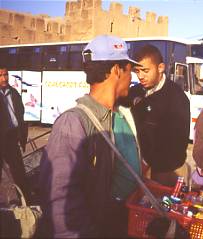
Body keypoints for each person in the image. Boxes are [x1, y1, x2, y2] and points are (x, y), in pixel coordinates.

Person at [39, 35, 141, 237]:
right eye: (130, 71)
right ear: (115, 70)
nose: (133, 78)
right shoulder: (72, 123)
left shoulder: (117, 115)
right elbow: (60, 201)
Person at [129, 44, 190, 187]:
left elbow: (175, 144)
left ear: (160, 68)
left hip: (167, 170)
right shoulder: (135, 91)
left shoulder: (176, 99)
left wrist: (147, 165)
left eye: (145, 70)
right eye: (137, 71)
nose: (140, 76)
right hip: (138, 167)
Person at [0, 67, 29, 200]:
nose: (4, 78)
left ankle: (25, 200)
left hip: (12, 138)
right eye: (0, 75)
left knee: (19, 172)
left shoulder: (14, 93)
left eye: (6, 74)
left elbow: (21, 114)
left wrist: (22, 136)